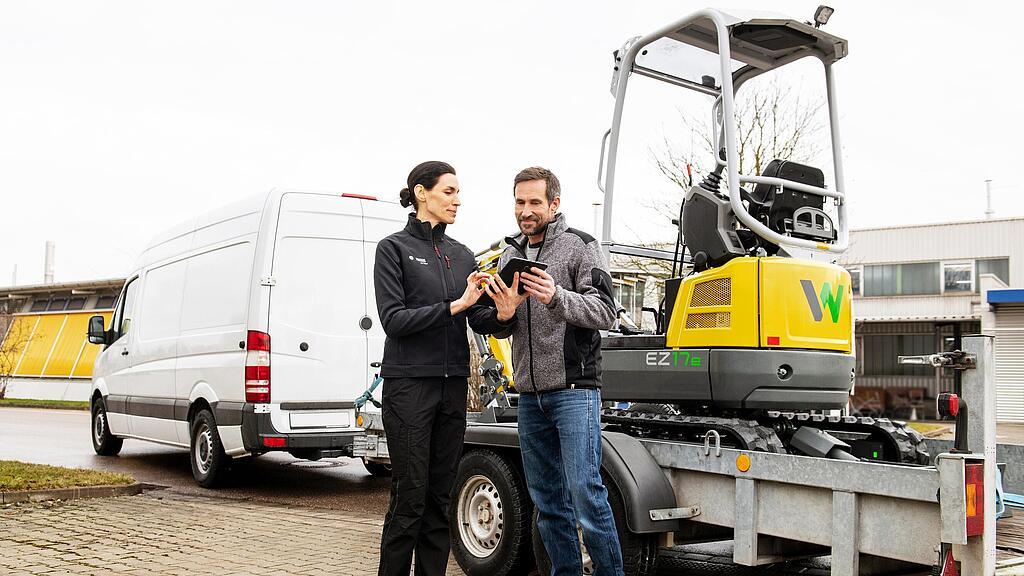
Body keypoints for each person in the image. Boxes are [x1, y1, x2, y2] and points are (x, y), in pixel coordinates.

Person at [373, 161, 515, 576]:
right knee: (410, 498)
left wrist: (504, 313)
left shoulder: (462, 254)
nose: (457, 200)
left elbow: (479, 318)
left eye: (458, 192)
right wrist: (455, 305)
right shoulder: (393, 249)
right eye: (449, 191)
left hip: (453, 387)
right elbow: (394, 320)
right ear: (422, 193)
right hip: (409, 388)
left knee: (440, 499)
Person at [483, 166, 623, 575]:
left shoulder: (581, 246)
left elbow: (606, 312)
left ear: (554, 203)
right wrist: (503, 315)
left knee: (586, 494)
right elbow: (505, 324)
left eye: (534, 202)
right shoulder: (509, 254)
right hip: (529, 396)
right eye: (519, 202)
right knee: (547, 504)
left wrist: (557, 297)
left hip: (574, 391)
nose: (525, 211)